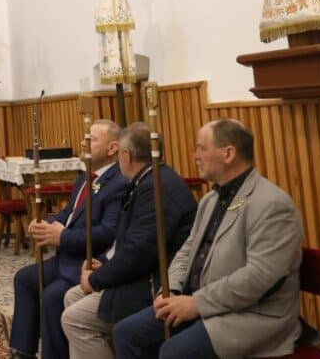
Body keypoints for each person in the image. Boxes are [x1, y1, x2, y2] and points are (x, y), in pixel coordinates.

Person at [112, 119, 303, 359]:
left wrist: (196, 304)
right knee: (127, 333)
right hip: (200, 303)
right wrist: (170, 290)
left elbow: (259, 277)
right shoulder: (210, 200)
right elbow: (187, 250)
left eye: (201, 148)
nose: (195, 156)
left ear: (228, 153)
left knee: (174, 353)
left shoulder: (272, 204)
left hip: (251, 315)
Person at [61, 123, 197, 359]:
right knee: (72, 295)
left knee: (75, 319)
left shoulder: (156, 186)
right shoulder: (147, 179)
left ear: (126, 155)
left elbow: (141, 251)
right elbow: (124, 242)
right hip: (141, 273)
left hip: (153, 282)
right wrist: (102, 262)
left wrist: (97, 278)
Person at [9, 120, 129, 359]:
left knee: (53, 296)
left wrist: (62, 237)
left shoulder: (118, 183)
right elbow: (68, 215)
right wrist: (45, 225)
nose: (84, 143)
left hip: (88, 262)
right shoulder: (85, 176)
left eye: (92, 139)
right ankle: (21, 351)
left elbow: (108, 233)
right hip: (66, 258)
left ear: (113, 147)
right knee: (24, 278)